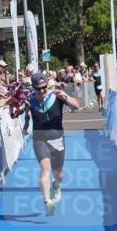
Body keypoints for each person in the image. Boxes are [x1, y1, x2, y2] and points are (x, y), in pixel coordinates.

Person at [22, 72, 79, 216]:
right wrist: (26, 125)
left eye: (44, 87)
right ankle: (47, 201)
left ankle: (57, 185)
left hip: (57, 138)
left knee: (58, 173)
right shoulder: (30, 100)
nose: (41, 91)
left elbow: (76, 106)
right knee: (45, 169)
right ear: (33, 88)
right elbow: (27, 115)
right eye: (38, 89)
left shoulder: (56, 96)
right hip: (39, 138)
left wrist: (64, 96)